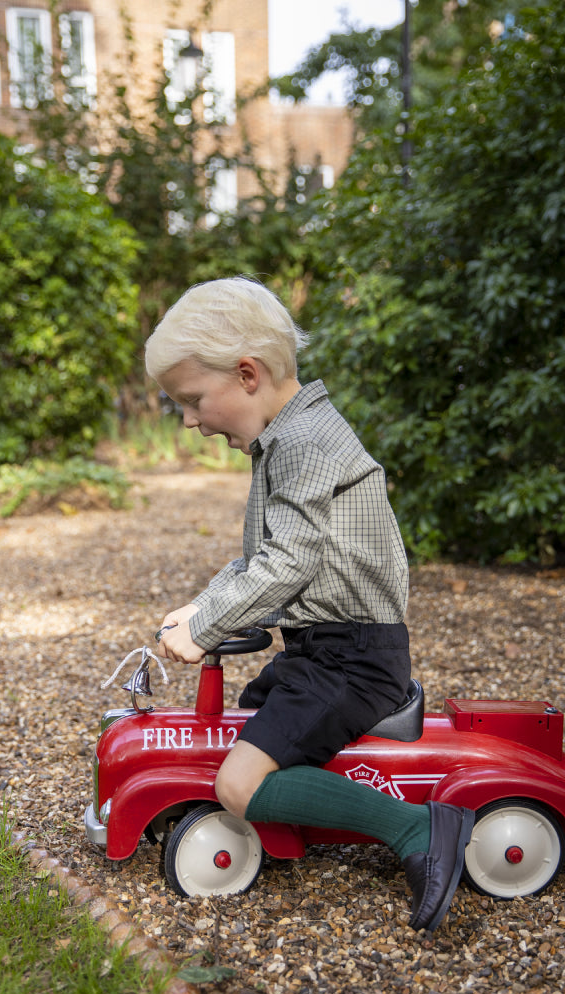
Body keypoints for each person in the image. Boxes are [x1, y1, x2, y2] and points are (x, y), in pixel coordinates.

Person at [146, 277, 473, 932]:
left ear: (247, 375)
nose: (190, 420)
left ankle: (416, 828)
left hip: (353, 658)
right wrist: (201, 606)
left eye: (192, 400)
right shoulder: (288, 437)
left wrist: (208, 627)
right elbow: (263, 559)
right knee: (251, 717)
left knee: (238, 783)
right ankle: (308, 815)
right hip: (323, 649)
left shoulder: (305, 444)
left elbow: (288, 565)